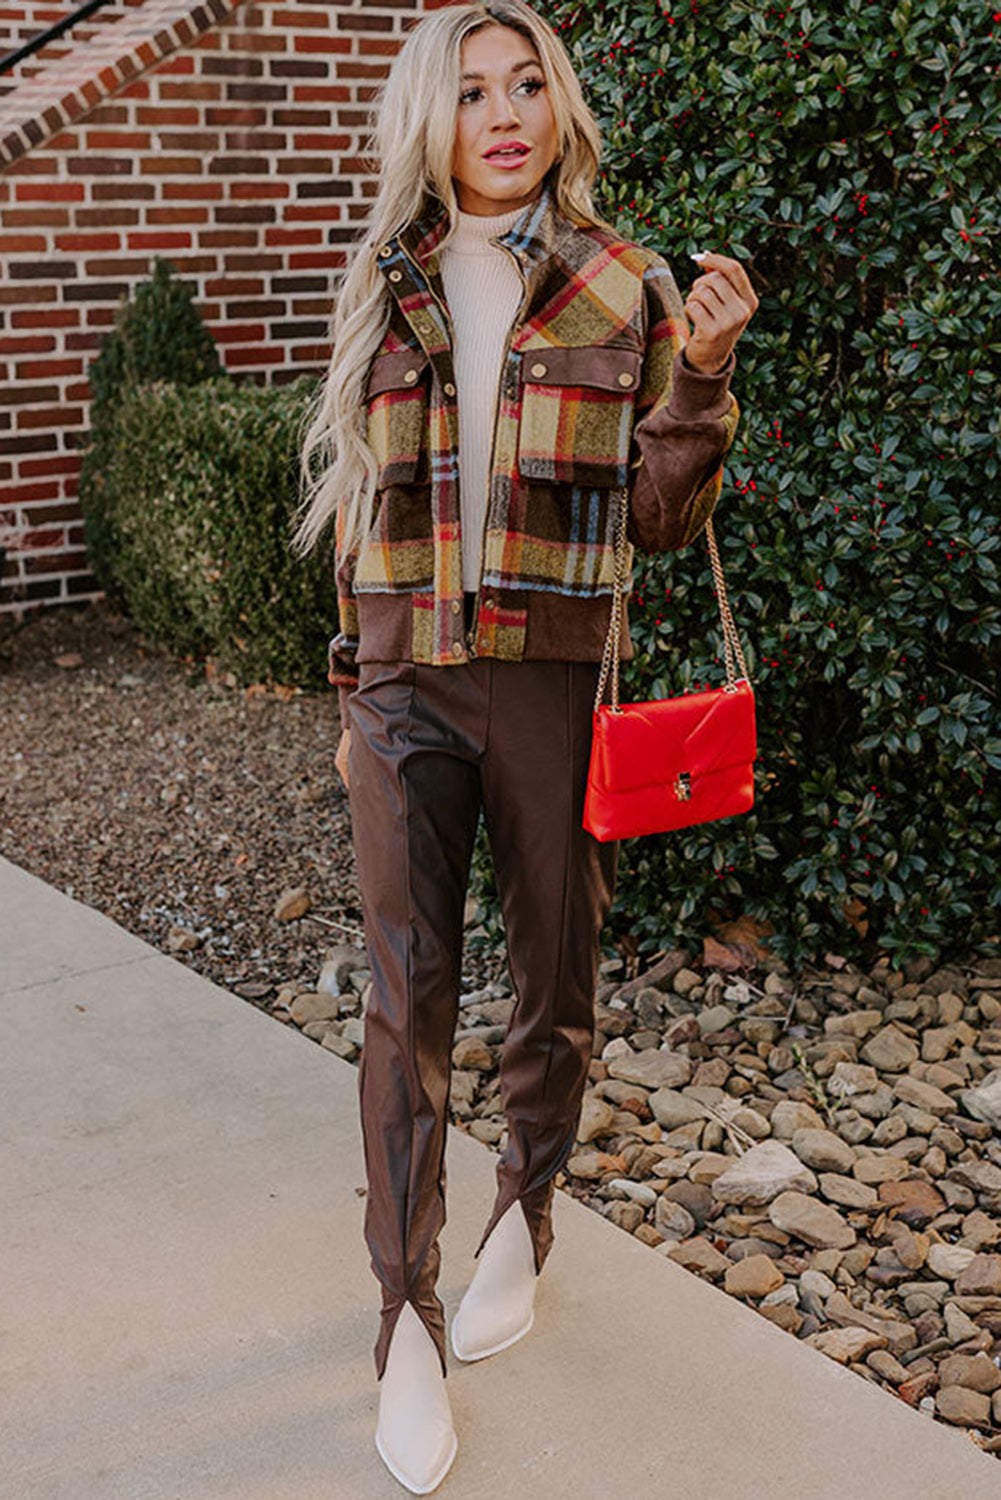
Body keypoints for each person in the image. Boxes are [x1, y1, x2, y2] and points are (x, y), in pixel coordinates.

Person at [294, 2, 758, 1490]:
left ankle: (524, 1216)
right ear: (429, 119)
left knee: (552, 966)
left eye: (525, 87)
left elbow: (655, 522)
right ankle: (402, 1321)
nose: (501, 114)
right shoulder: (386, 274)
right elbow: (364, 501)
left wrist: (697, 380)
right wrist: (361, 675)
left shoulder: (625, 283)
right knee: (402, 996)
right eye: (470, 91)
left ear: (557, 107)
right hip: (401, 677)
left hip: (552, 676)